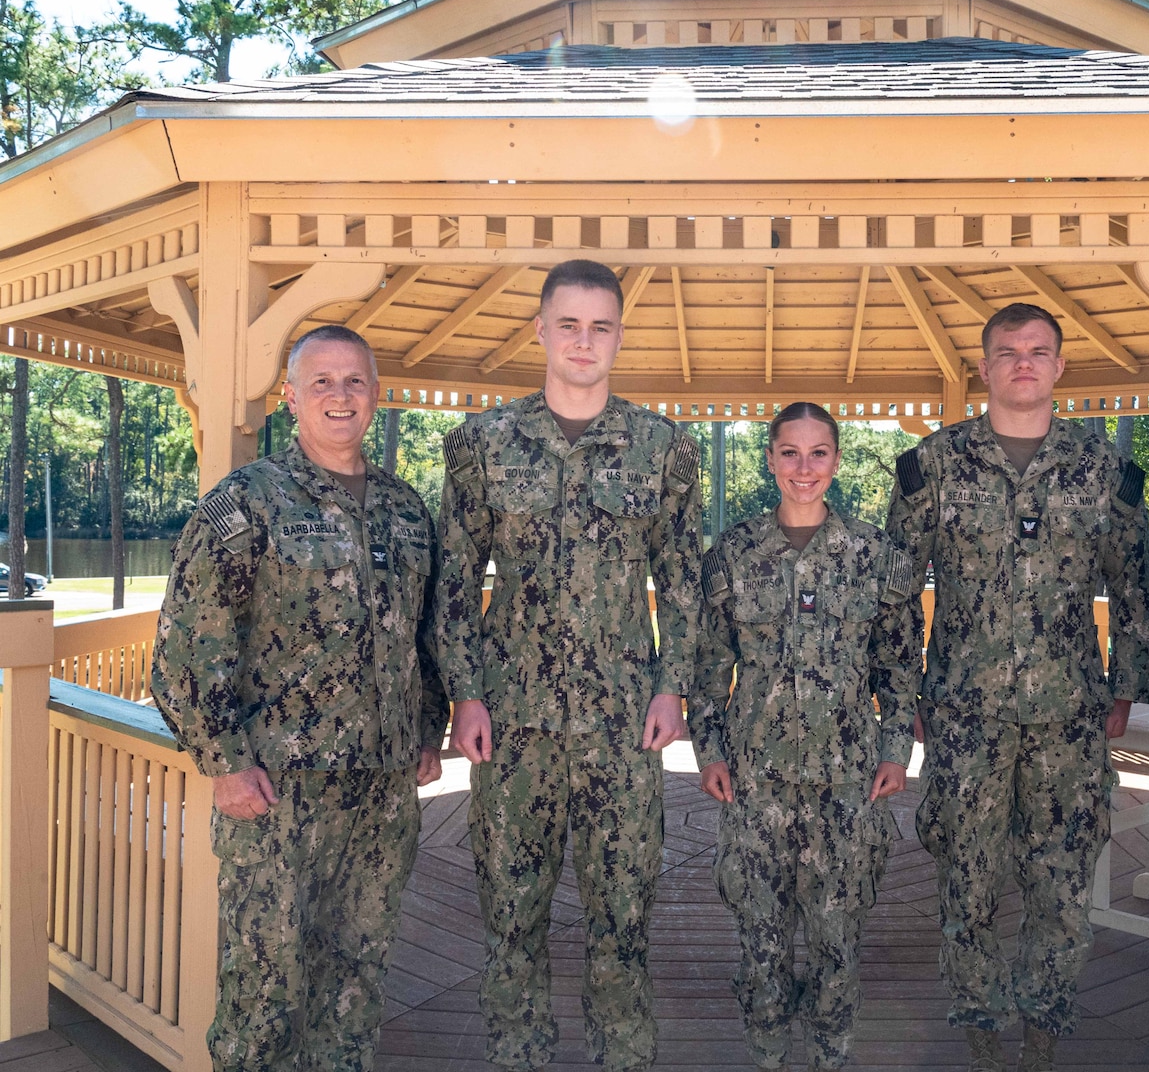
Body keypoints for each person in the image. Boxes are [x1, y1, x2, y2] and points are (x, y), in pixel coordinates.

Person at [152, 324, 445, 1071]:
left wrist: (425, 729)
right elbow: (189, 641)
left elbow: (426, 633)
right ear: (290, 396)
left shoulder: (407, 512)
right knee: (263, 990)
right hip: (278, 791)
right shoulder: (247, 502)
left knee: (356, 979)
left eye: (355, 381)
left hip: (380, 794)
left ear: (375, 395)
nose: (340, 396)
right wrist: (222, 762)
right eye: (322, 381)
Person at [434, 259, 703, 1072]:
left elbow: (685, 583)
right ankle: (519, 1057)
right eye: (569, 323)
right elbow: (453, 578)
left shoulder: (662, 448)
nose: (584, 341)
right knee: (511, 917)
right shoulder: (483, 445)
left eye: (601, 326)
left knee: (623, 918)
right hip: (511, 728)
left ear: (620, 337)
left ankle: (623, 1058)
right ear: (540, 330)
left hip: (624, 728)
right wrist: (464, 696)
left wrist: (672, 686)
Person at [885, 302, 1149, 1072]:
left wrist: (1129, 685)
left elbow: (1135, 586)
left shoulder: (1105, 471)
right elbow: (896, 591)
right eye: (1007, 351)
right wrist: (902, 687)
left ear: (1059, 365)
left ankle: (1042, 1031)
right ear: (984, 366)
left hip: (1069, 715)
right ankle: (980, 1030)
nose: (1023, 364)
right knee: (966, 880)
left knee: (1061, 878)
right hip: (962, 715)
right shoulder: (932, 466)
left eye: (1039, 351)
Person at [690, 402, 920, 1072]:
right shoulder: (734, 554)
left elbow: (900, 664)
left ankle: (829, 1059)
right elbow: (709, 668)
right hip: (755, 785)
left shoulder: (873, 555)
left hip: (846, 786)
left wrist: (895, 749)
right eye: (789, 452)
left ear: (838, 462)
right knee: (759, 947)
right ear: (769, 459)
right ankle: (768, 1057)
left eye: (818, 453)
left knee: (837, 946)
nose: (804, 468)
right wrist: (708, 752)